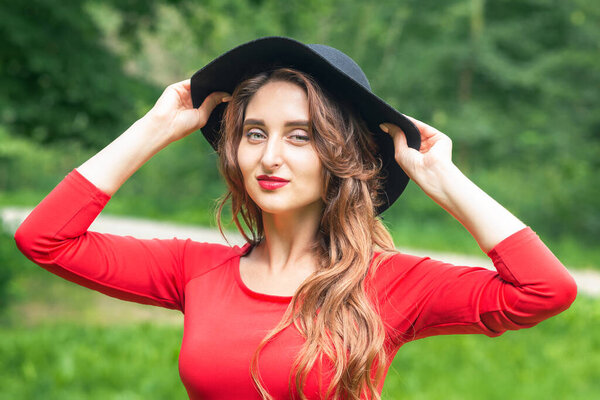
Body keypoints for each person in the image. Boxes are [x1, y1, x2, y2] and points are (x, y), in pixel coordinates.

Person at [14, 36, 577, 400]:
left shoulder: (388, 284)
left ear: (343, 156)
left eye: (300, 136)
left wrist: (445, 181)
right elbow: (46, 239)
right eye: (254, 133)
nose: (269, 156)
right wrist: (154, 129)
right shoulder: (194, 270)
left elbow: (544, 289)